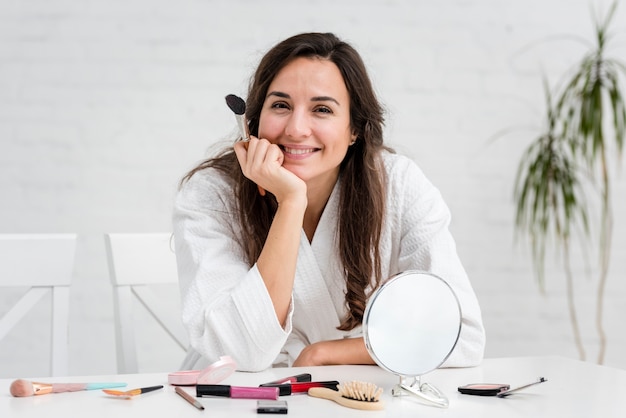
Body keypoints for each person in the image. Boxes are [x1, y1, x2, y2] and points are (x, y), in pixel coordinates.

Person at [173, 32, 485, 372]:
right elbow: (243, 351)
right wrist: (291, 202)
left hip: (344, 387)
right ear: (253, 120)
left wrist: (326, 353)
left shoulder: (398, 184)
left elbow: (460, 335)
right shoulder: (212, 193)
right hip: (229, 395)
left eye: (322, 109)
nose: (296, 129)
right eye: (280, 105)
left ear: (355, 129)